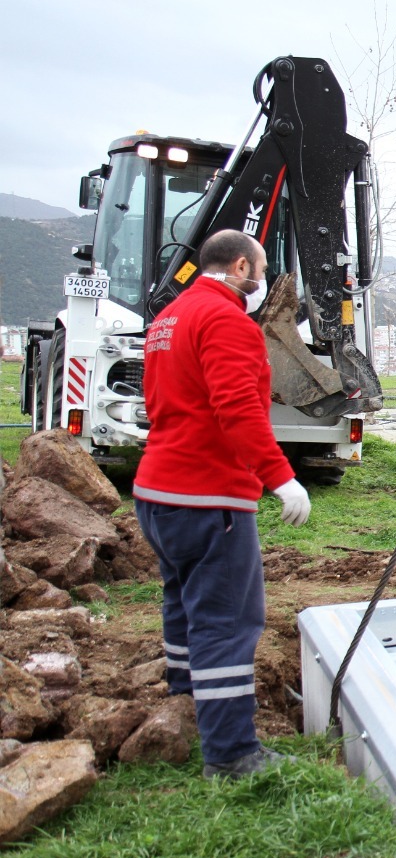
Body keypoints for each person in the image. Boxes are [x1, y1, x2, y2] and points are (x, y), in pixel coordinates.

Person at [131, 230, 311, 780]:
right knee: (228, 621)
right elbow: (236, 409)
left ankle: (186, 703)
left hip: (158, 493)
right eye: (258, 269)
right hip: (208, 497)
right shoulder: (227, 320)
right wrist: (281, 479)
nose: (260, 282)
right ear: (240, 267)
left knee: (183, 607)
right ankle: (231, 753)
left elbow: (165, 399)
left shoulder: (169, 318)